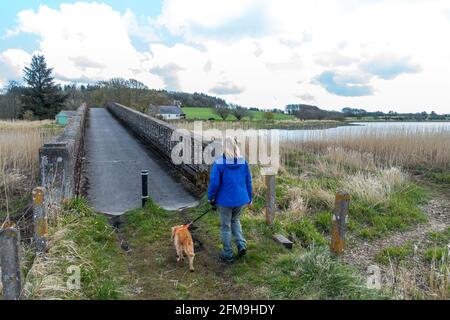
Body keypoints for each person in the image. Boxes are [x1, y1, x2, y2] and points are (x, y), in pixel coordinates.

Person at [208, 137, 252, 264]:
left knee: (225, 227)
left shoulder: (219, 163)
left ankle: (228, 254)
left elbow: (214, 183)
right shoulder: (243, 162)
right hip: (241, 199)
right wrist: (250, 198)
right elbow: (249, 181)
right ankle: (241, 245)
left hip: (225, 201)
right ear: (235, 146)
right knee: (236, 220)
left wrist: (211, 198)